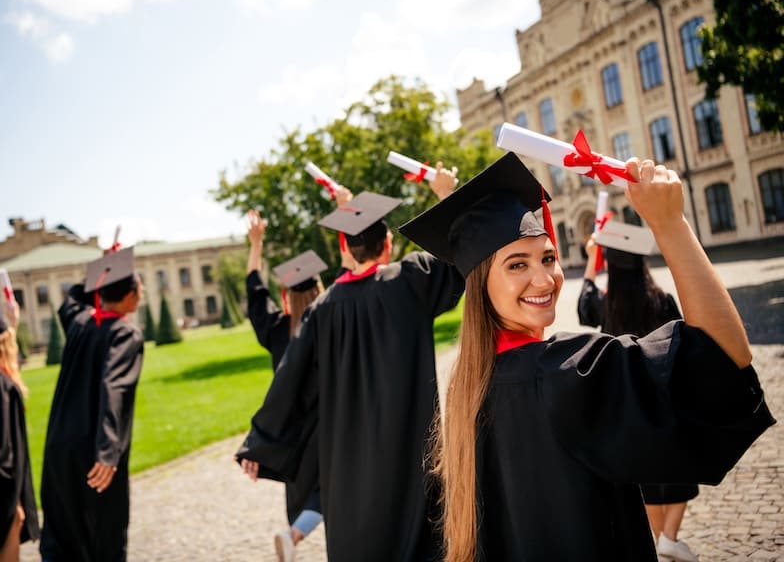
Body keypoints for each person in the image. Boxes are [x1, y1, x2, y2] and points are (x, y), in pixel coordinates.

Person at [398, 152, 776, 562]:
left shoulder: (468, 389)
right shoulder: (567, 373)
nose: (544, 278)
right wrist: (671, 225)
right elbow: (723, 357)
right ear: (482, 285)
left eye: (547, 257)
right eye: (516, 265)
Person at [236, 163, 464, 562]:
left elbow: (288, 380)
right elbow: (458, 257)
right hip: (411, 453)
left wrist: (261, 442)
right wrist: (444, 195)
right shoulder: (410, 281)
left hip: (348, 467)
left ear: (344, 249)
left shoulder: (322, 312)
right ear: (388, 244)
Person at [578, 233, 700, 561]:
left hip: (626, 406)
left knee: (643, 481)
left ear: (612, 269)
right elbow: (684, 347)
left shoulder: (606, 303)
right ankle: (670, 538)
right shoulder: (662, 300)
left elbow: (583, 306)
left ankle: (657, 542)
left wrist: (592, 260)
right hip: (666, 399)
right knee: (677, 473)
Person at [245, 205, 351, 562]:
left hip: (293, 432)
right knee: (337, 490)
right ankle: (298, 533)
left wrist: (255, 244)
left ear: (286, 295)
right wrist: (344, 211)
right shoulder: (334, 316)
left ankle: (294, 531)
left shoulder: (277, 330)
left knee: (306, 492)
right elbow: (348, 272)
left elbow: (255, 292)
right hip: (335, 425)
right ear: (320, 287)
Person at [39, 247, 145, 562]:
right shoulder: (125, 334)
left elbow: (70, 298)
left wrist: (104, 268)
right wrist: (108, 452)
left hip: (59, 447)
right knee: (103, 535)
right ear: (130, 297)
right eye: (138, 287)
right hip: (94, 451)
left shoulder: (80, 323)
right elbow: (115, 387)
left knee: (62, 534)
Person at [0, 303, 39, 561]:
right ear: (2, 344)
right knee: (13, 520)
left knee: (14, 520)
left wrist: (13, 321)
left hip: (1, 466)